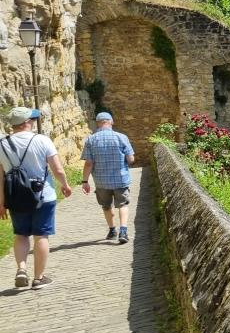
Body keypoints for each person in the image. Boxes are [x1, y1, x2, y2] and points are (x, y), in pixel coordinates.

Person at [0, 107, 73, 289]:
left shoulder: (2, 144)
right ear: (26, 123)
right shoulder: (41, 140)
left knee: (21, 234)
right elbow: (57, 169)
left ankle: (21, 268)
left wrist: (2, 201)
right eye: (32, 120)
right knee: (41, 235)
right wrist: (65, 185)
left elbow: (1, 176)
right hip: (43, 195)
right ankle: (39, 278)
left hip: (15, 196)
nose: (33, 122)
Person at [81, 112, 135, 244]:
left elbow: (88, 163)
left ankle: (112, 231)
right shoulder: (122, 137)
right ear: (111, 122)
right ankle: (123, 231)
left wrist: (85, 181)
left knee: (106, 206)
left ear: (98, 123)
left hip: (101, 182)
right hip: (120, 179)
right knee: (123, 204)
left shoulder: (90, 140)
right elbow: (131, 159)